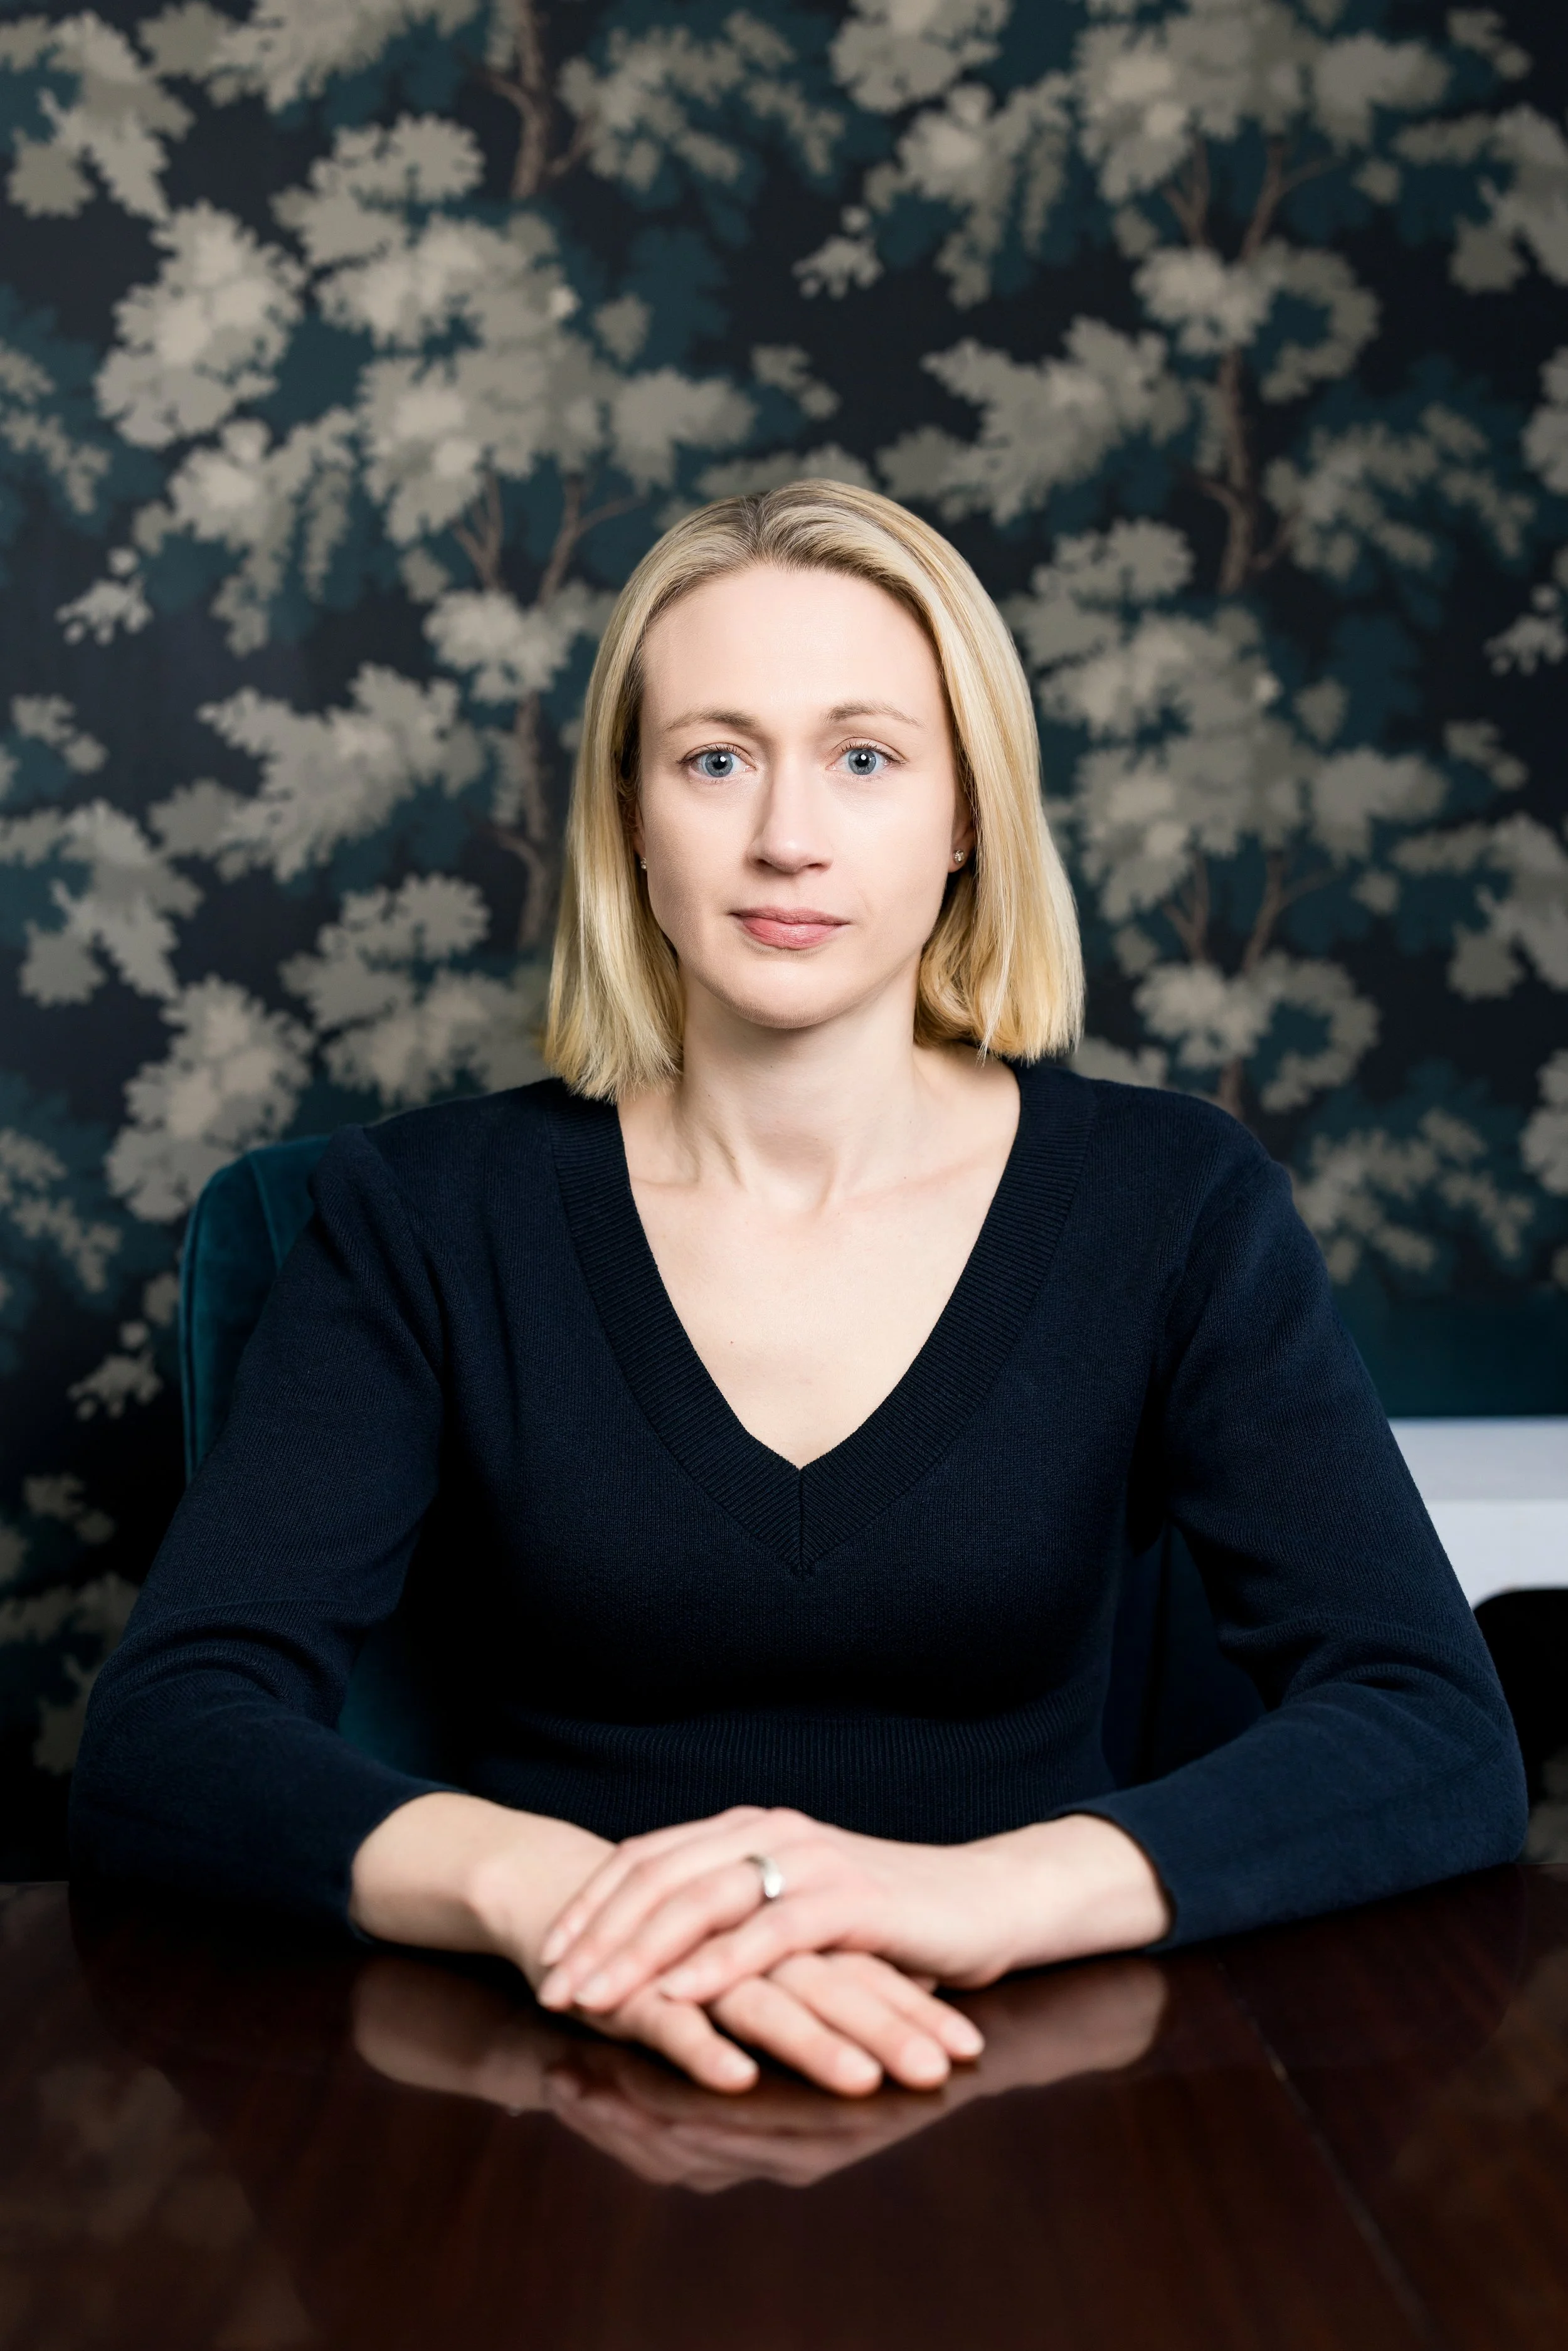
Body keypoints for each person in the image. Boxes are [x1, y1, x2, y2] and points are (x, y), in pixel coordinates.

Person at [72, 481, 1527, 2101]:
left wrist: (959, 1894)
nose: (785, 834)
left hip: (1030, 2063)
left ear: (965, 810)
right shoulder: (422, 1215)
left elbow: (1433, 1729)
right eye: (714, 757)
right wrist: (559, 1895)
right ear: (630, 810)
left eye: (863, 756)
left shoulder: (1171, 1202)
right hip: (563, 2063)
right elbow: (164, 1735)